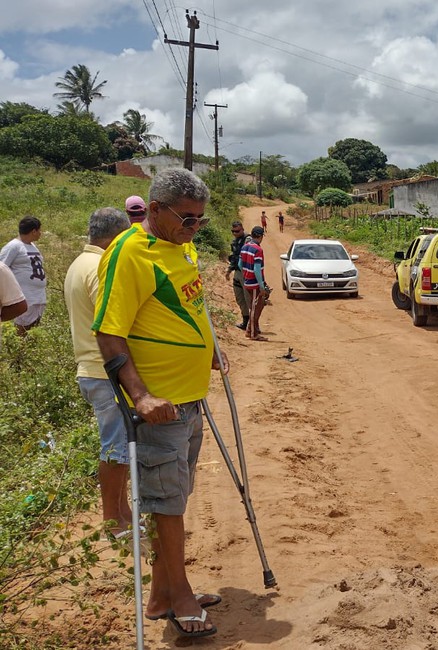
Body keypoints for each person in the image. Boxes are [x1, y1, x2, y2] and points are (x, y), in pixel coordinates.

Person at [93, 168, 226, 638]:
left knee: (174, 496)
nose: (194, 228)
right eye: (187, 219)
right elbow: (108, 331)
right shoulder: (129, 253)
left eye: (200, 221)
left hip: (190, 402)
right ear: (154, 210)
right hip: (161, 406)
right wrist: (142, 395)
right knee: (166, 504)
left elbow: (188, 310)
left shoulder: (179, 246)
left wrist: (208, 346)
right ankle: (182, 595)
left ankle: (160, 596)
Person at [63, 207, 136, 540]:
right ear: (117, 237)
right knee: (116, 448)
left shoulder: (80, 263)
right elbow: (111, 325)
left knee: (118, 446)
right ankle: (113, 521)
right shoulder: (100, 268)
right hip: (104, 369)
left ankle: (123, 514)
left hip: (92, 368)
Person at [0, 216, 47, 335]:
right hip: (24, 297)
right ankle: (16, 354)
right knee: (20, 332)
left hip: (37, 297)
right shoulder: (13, 246)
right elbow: (2, 269)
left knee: (33, 333)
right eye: (39, 230)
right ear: (33, 231)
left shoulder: (33, 246)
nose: (40, 233)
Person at [239, 226, 270, 341]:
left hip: (248, 281)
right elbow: (257, 269)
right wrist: (262, 286)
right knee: (255, 307)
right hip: (254, 283)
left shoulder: (245, 247)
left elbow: (239, 265)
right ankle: (252, 333)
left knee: (256, 306)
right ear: (261, 236)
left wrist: (246, 275)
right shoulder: (258, 250)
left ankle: (252, 330)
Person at [225, 221, 250, 330]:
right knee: (240, 299)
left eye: (237, 231)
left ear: (243, 229)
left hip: (247, 273)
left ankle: (253, 324)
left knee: (248, 299)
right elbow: (234, 258)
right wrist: (229, 270)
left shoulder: (248, 240)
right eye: (233, 231)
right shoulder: (235, 242)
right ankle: (246, 321)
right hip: (237, 272)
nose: (235, 233)